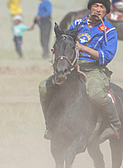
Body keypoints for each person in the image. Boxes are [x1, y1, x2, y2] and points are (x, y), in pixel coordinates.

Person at [39, 0, 120, 143]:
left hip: (95, 69)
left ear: (106, 11)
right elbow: (66, 43)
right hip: (72, 68)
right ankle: (49, 125)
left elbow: (106, 56)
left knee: (96, 94)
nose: (98, 9)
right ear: (90, 8)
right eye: (95, 6)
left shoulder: (110, 31)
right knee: (44, 87)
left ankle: (114, 123)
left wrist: (83, 48)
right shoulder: (77, 24)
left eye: (102, 7)